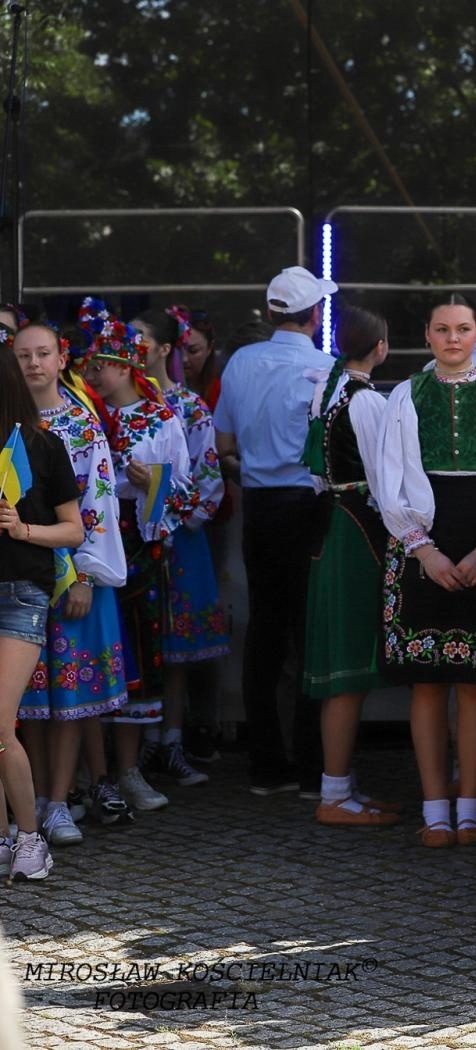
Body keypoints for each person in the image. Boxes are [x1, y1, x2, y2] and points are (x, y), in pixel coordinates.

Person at [213, 266, 337, 796]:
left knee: (265, 631)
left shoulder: (240, 363)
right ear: (316, 316)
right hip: (309, 505)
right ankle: (314, 767)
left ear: (270, 313)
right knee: (310, 632)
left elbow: (223, 446)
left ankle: (266, 765)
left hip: (259, 504)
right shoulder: (326, 368)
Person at [375, 296, 476, 847]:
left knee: (472, 686)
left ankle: (470, 803)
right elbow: (389, 477)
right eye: (442, 329)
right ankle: (434, 805)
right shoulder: (405, 394)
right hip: (421, 540)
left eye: (463, 329)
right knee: (426, 683)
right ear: (427, 335)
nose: (452, 338)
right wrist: (424, 550)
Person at [11, 323, 128, 843]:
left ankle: (59, 801)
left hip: (71, 576)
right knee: (29, 697)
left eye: (43, 354)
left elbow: (99, 506)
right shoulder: (9, 423)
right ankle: (31, 793)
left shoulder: (82, 425)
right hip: (19, 574)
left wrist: (82, 575)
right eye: (22, 355)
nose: (33, 363)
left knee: (69, 694)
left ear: (63, 360)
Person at [80, 299, 192, 817]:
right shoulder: (85, 416)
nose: (93, 374)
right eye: (88, 365)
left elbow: (187, 492)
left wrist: (156, 486)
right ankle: (89, 775)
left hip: (140, 545)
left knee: (137, 654)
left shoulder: (160, 419)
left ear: (125, 365)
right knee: (89, 652)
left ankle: (127, 770)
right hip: (86, 539)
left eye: (100, 365)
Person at [300, 306, 399, 828]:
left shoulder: (325, 390)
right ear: (380, 348)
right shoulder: (366, 402)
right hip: (356, 530)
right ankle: (334, 792)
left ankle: (342, 785)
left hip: (330, 524)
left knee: (345, 660)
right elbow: (385, 483)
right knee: (346, 666)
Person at [0, 345, 85, 881]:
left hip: (21, 593)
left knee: (0, 726)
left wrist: (21, 529)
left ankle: (31, 839)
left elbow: (75, 530)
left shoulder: (43, 446)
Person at [132, 307, 224, 789]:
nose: (131, 348)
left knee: (177, 648)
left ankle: (169, 740)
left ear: (165, 349)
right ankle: (137, 745)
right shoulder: (116, 403)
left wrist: (174, 519)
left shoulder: (189, 406)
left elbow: (208, 477)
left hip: (179, 540)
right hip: (130, 539)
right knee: (140, 641)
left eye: (140, 339)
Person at [179, 309, 224, 411]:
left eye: (193, 351)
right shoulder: (157, 390)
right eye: (178, 351)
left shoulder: (221, 392)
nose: (184, 359)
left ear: (209, 348)